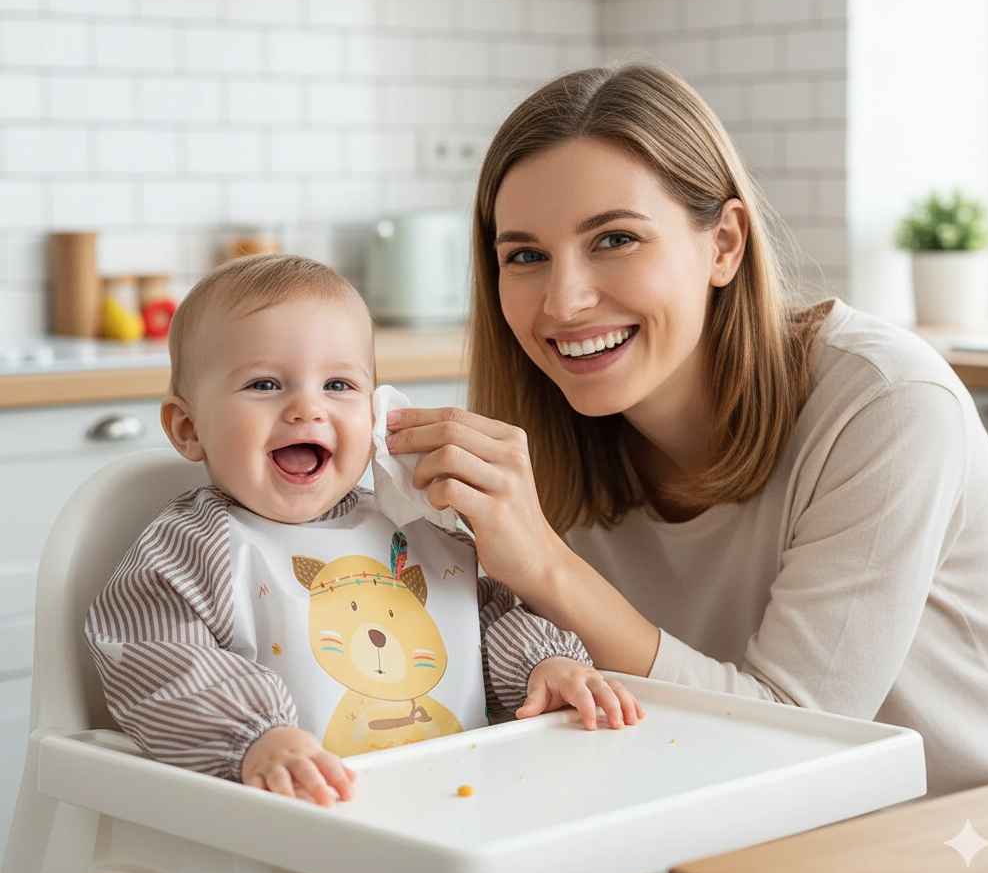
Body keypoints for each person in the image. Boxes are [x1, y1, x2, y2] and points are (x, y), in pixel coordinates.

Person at [384, 62, 988, 798]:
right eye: (526, 256)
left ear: (723, 244)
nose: (564, 302)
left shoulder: (887, 405)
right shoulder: (547, 438)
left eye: (615, 239)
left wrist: (546, 567)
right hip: (714, 816)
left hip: (964, 835)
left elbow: (795, 740)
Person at [85, 253, 642, 814]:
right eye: (264, 383)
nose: (307, 407)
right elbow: (154, 661)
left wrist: (543, 666)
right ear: (187, 428)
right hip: (301, 826)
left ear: (375, 413)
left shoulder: (416, 524)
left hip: (464, 805)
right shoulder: (193, 547)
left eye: (338, 384)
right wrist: (253, 737)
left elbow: (485, 619)